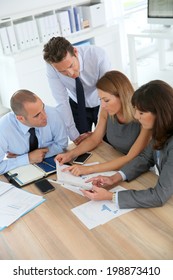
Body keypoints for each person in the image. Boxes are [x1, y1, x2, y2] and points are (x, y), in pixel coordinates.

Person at [81, 80, 173, 209]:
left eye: (141, 113)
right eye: (136, 110)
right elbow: (145, 158)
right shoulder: (161, 128)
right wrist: (114, 178)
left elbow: (159, 196)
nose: (136, 116)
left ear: (160, 113)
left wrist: (111, 196)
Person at [55, 71, 151, 175]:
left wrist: (89, 169)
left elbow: (130, 158)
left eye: (106, 100)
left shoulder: (143, 117)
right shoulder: (106, 110)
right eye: (100, 99)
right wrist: (70, 154)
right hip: (114, 161)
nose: (103, 105)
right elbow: (95, 139)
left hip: (138, 170)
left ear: (122, 96)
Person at [43, 36, 111, 145]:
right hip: (77, 104)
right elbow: (61, 101)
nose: (70, 73)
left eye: (71, 65)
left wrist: (98, 132)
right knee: (82, 143)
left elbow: (108, 93)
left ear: (75, 51)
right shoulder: (52, 67)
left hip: (101, 102)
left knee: (108, 140)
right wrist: (74, 135)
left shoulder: (98, 56)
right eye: (63, 71)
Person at [0, 89, 68, 174]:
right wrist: (27, 158)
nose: (45, 116)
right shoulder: (3, 129)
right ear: (20, 118)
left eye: (43, 107)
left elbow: (62, 144)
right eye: (37, 115)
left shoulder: (53, 114)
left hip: (53, 166)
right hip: (22, 172)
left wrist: (26, 156)